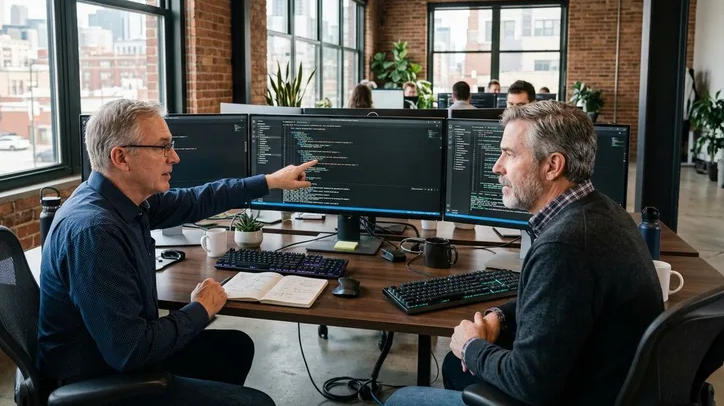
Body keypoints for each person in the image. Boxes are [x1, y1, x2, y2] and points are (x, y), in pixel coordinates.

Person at [38, 99, 318, 406]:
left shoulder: (120, 200)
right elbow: (130, 352)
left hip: (115, 355)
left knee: (235, 348)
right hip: (102, 379)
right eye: (162, 147)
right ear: (121, 157)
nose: (174, 157)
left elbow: (196, 200)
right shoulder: (95, 232)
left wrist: (270, 181)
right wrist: (200, 309)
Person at [385, 101, 663, 406]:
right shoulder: (605, 211)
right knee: (455, 367)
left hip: (570, 395)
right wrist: (499, 317)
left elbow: (529, 383)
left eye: (510, 154)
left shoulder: (565, 246)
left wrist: (470, 346)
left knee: (402, 398)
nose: (497, 167)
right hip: (604, 381)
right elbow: (555, 299)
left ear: (552, 166)